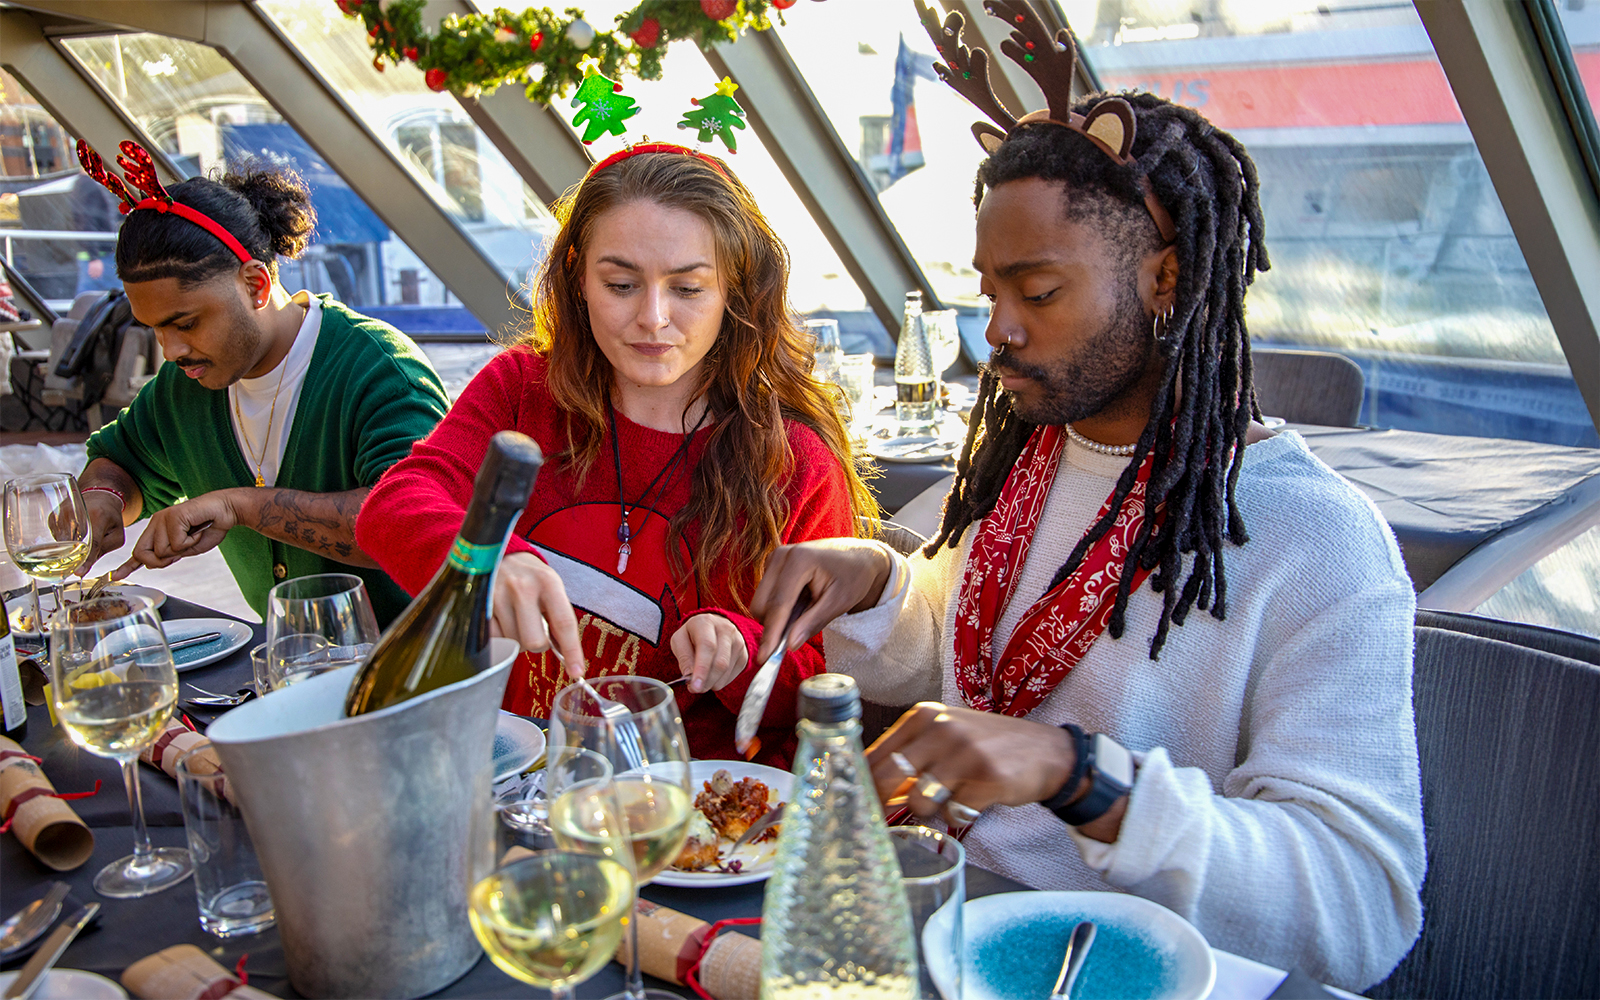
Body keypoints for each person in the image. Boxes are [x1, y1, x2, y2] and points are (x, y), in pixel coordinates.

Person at [748, 4, 1424, 990]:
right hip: (952, 933)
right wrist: (874, 584)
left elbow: (1360, 910)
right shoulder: (1030, 460)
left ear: (1167, 276)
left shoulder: (1316, 542)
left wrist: (1081, 779)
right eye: (988, 293)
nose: (997, 334)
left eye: (1039, 292)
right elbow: (975, 650)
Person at [356, 144, 874, 765]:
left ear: (737, 289)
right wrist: (488, 562)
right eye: (621, 285)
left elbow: (819, 689)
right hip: (525, 773)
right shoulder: (523, 390)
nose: (653, 318)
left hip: (700, 816)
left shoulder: (793, 459)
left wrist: (742, 645)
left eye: (687, 287)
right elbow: (394, 505)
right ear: (576, 277)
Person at [74, 141, 449, 624]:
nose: (170, 351)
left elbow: (405, 524)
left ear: (255, 284)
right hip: (294, 663)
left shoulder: (379, 369)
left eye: (185, 323)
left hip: (420, 667)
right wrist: (102, 501)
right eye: (155, 329)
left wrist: (241, 506)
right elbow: (121, 463)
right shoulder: (183, 385)